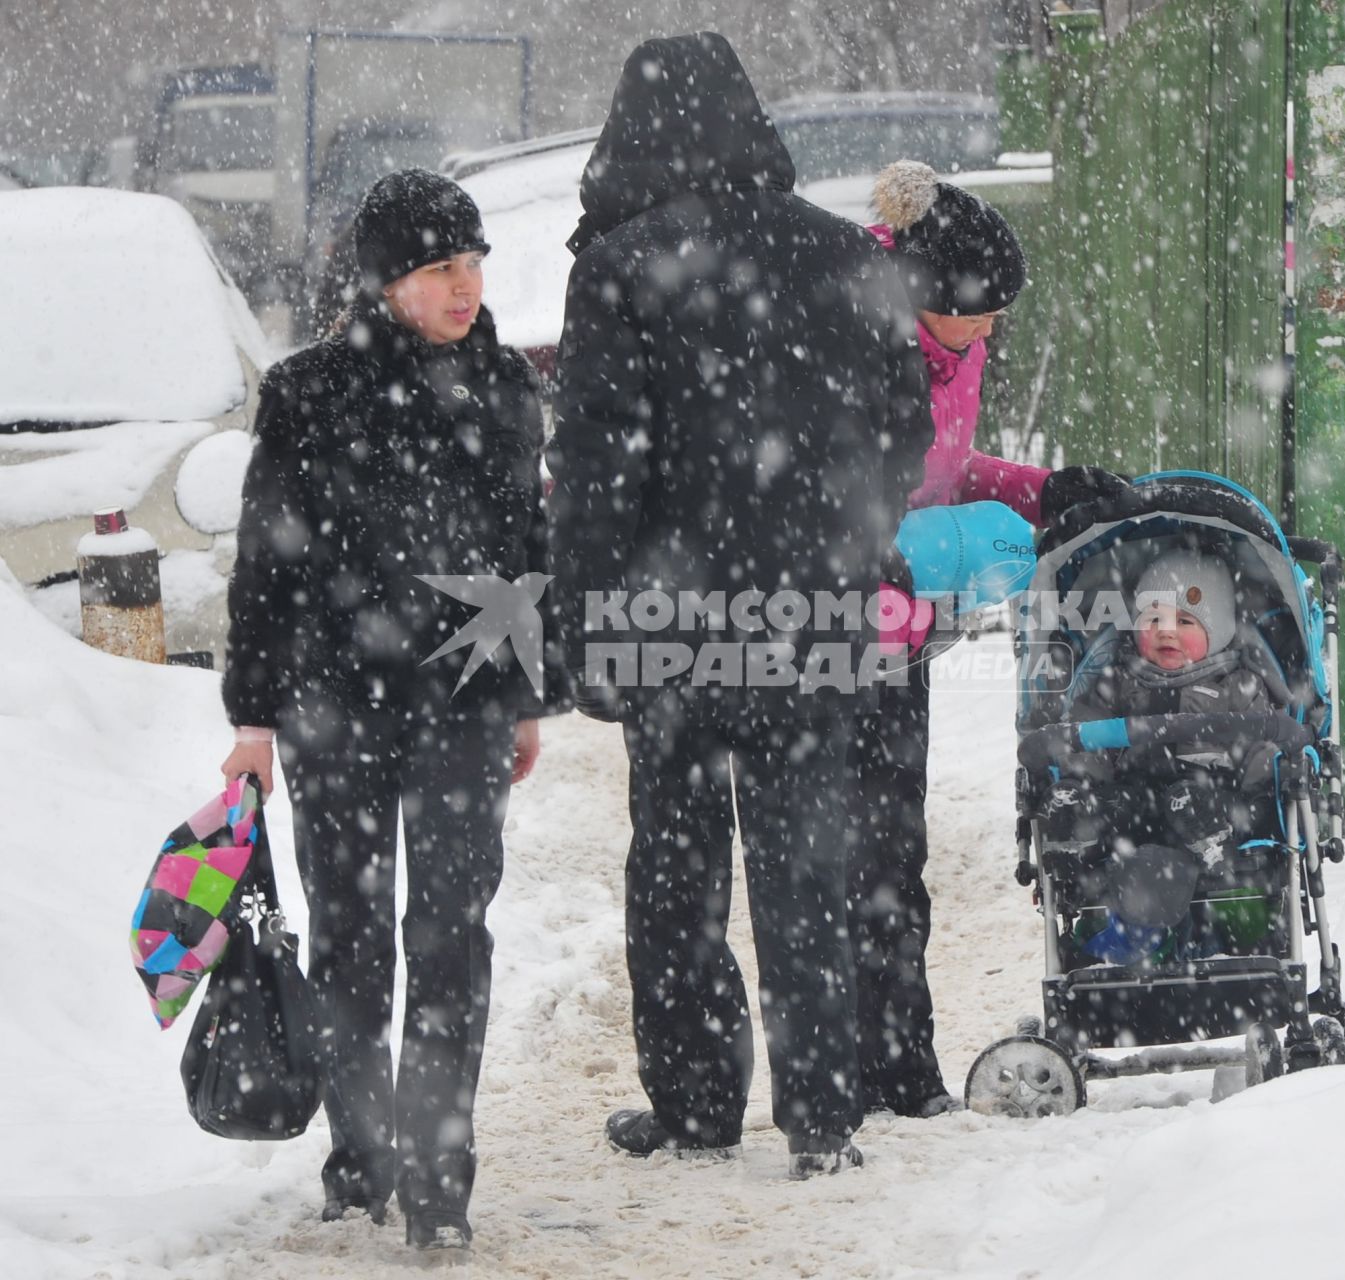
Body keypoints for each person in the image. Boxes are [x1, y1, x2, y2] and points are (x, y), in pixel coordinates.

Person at [547, 33, 935, 1178]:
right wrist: (845, 544)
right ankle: (821, 1111)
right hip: (811, 611)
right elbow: (904, 429)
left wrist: (587, 625)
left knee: (674, 862)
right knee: (805, 857)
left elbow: (596, 471)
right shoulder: (838, 253)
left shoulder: (619, 267)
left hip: (669, 621)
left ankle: (696, 1098)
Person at [219, 168, 566, 1252]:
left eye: (472, 263)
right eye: (437, 268)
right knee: (354, 938)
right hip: (336, 709)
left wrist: (520, 697)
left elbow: (525, 556)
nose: (464, 285)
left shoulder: (506, 387)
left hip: (461, 704)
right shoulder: (309, 391)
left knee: (451, 933)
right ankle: (360, 1151)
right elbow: (265, 568)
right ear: (385, 283)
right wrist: (255, 718)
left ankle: (438, 1173)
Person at [850, 160, 1129, 1117]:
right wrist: (888, 556)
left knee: (893, 846)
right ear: (929, 297)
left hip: (907, 624)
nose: (991, 331)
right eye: (982, 313)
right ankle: (837, 1070)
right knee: (833, 849)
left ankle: (900, 1066)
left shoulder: (952, 341)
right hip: (839, 617)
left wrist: (1040, 489)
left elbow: (952, 467)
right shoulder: (857, 335)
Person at [1032, 548, 1285, 963]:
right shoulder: (1119, 680)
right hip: (1135, 802)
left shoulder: (1237, 688)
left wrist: (1266, 790)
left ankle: (1207, 841)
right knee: (1113, 806)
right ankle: (1081, 826)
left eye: (1185, 621)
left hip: (1213, 797)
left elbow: (1261, 750)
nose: (1167, 631)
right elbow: (1087, 737)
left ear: (1218, 629)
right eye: (1153, 619)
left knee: (1202, 801)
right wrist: (1079, 778)